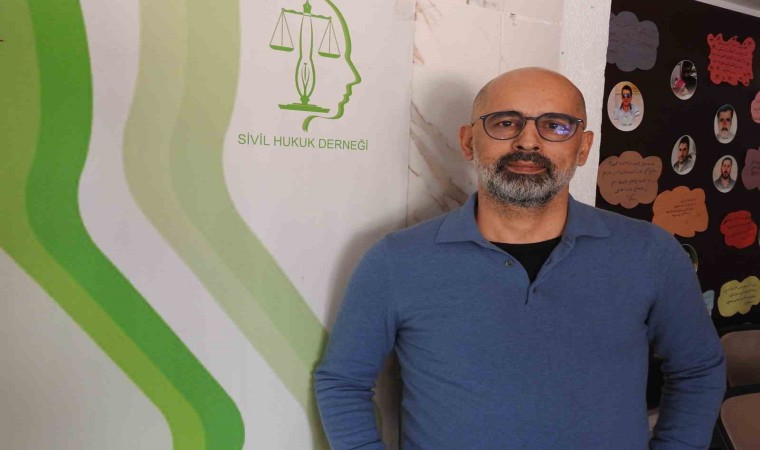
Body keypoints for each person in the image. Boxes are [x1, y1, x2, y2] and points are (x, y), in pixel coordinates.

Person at [315, 68, 725, 449]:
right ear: (468, 141)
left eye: (556, 126)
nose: (528, 142)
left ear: (583, 147)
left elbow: (698, 370)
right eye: (505, 123)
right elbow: (342, 382)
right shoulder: (397, 260)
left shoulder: (650, 252)